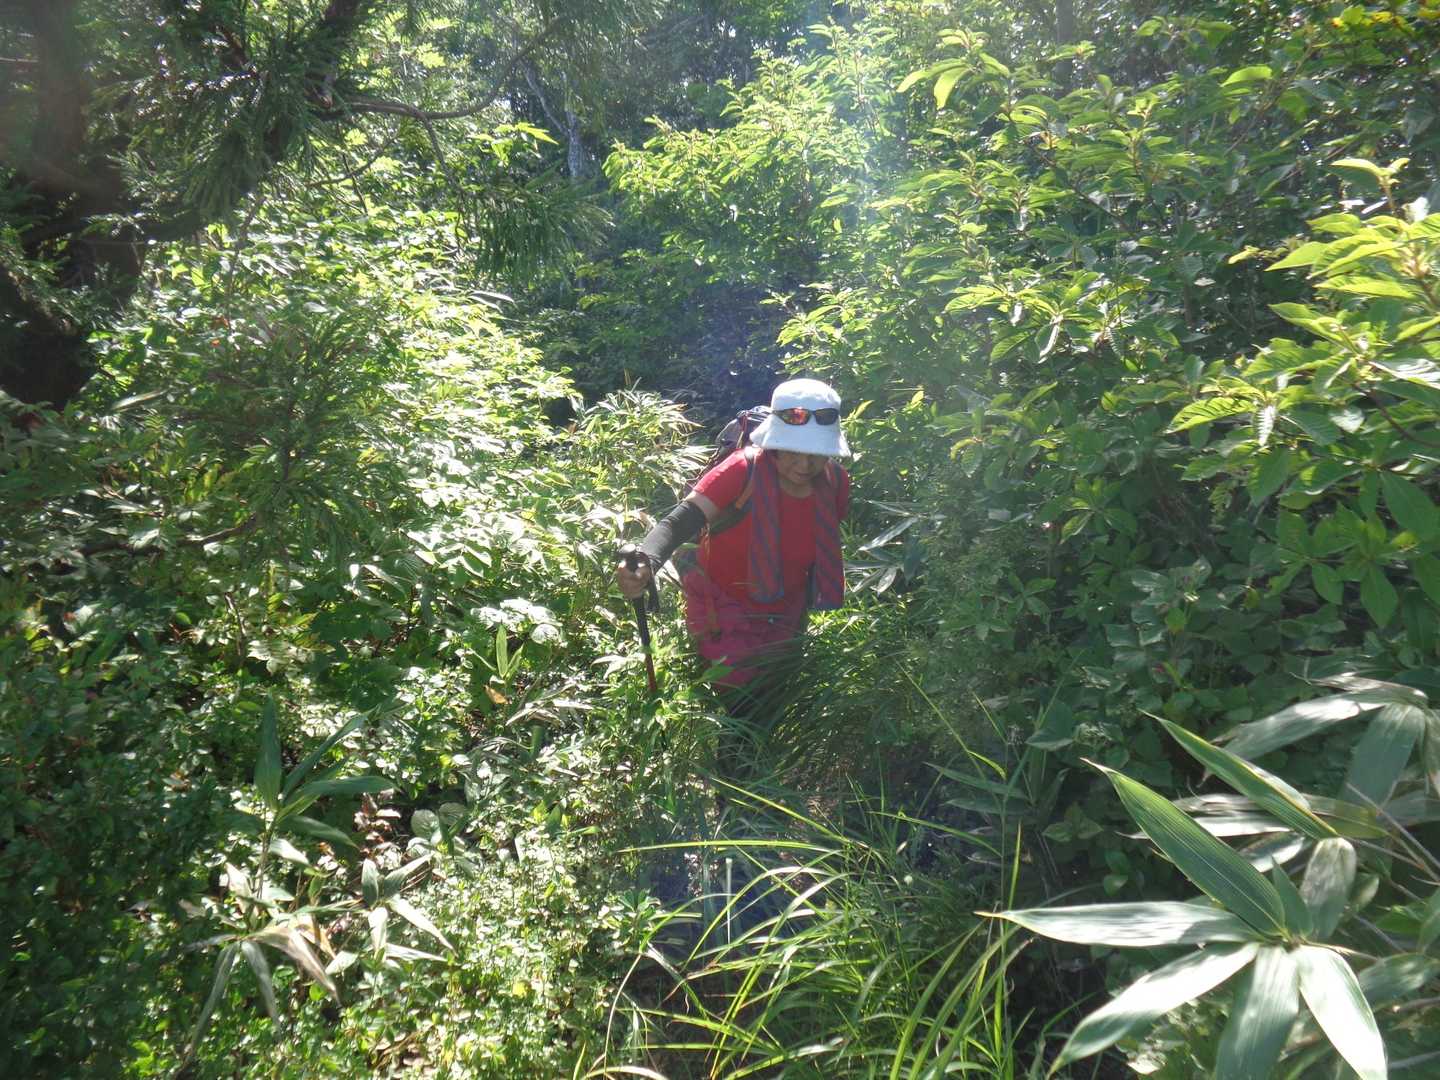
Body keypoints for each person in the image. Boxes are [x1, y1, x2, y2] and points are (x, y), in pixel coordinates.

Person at [616, 378, 851, 710]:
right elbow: (681, 521)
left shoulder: (835, 483)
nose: (805, 465)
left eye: (816, 454)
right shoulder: (742, 470)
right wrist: (647, 560)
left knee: (775, 695)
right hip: (723, 607)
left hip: (787, 609)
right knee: (735, 703)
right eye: (793, 451)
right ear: (774, 442)